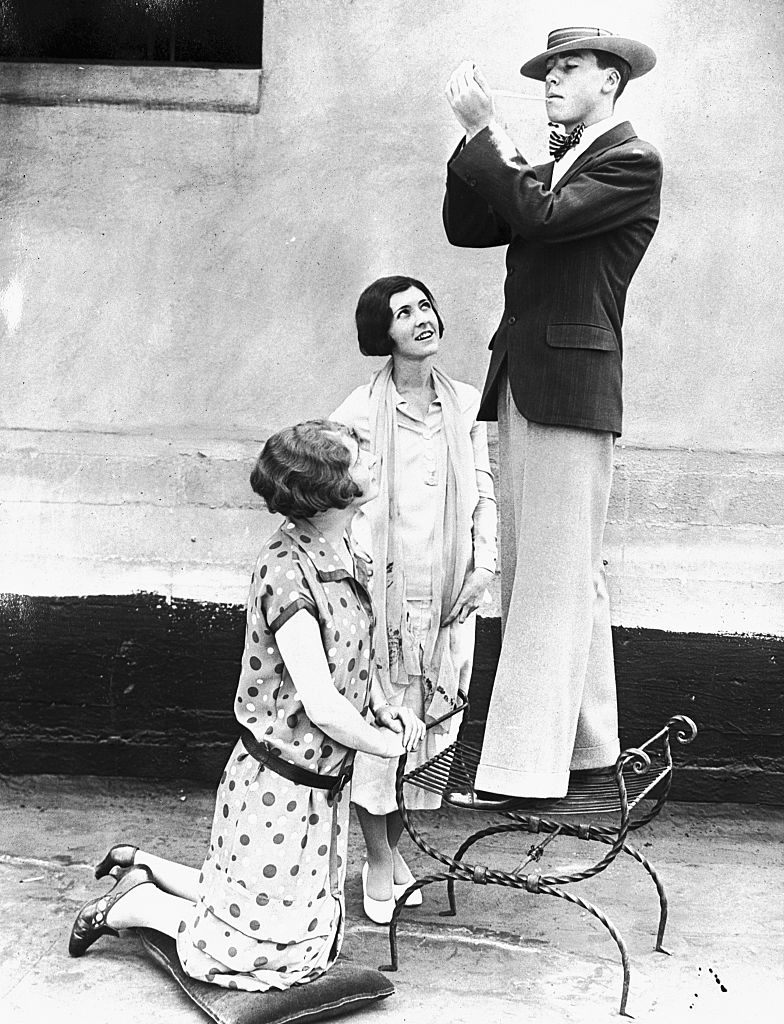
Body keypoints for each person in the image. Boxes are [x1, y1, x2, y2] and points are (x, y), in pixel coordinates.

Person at [68, 419, 425, 990]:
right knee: (251, 954)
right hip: (279, 786)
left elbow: (356, 648)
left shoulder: (345, 547)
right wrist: (388, 745)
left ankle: (146, 867)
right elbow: (324, 705)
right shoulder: (286, 570)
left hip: (318, 785)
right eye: (358, 458)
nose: (374, 462)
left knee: (293, 931)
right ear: (326, 491)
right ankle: (130, 906)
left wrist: (384, 705)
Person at [443, 28, 663, 799]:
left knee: (549, 579)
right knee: (564, 571)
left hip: (569, 386)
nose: (550, 81)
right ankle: (589, 744)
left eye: (567, 69)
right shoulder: (565, 167)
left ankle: (522, 769)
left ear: (611, 80)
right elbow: (469, 226)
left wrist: (484, 133)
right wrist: (469, 146)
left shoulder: (631, 161)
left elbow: (535, 215)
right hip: (533, 378)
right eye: (546, 72)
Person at [330, 275, 497, 922]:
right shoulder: (355, 411)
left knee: (428, 735)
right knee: (382, 732)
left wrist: (481, 573)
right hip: (384, 604)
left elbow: (482, 494)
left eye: (425, 305)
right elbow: (335, 501)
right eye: (404, 313)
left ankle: (393, 852)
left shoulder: (465, 403)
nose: (421, 318)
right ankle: (376, 860)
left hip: (451, 593)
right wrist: (356, 563)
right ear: (384, 332)